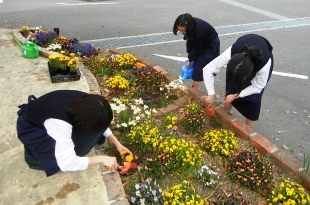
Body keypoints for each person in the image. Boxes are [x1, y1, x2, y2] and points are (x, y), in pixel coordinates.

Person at [16, 90, 132, 177]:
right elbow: (66, 163)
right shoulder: (60, 123)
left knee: (94, 129)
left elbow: (100, 122)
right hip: (34, 129)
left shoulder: (88, 102)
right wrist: (101, 159)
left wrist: (118, 144)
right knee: (80, 149)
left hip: (46, 117)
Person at [203, 34, 273, 127]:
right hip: (243, 51)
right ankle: (226, 115)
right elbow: (208, 70)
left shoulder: (264, 64)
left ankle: (248, 129)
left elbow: (257, 87)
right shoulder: (233, 52)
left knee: (253, 98)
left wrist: (237, 96)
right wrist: (211, 93)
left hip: (259, 59)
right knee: (231, 87)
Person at [173, 13, 220, 89]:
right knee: (196, 61)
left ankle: (194, 91)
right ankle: (195, 87)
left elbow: (197, 48)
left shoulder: (199, 32)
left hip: (210, 44)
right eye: (179, 30)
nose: (182, 32)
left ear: (189, 27)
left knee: (199, 67)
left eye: (183, 30)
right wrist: (190, 56)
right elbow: (190, 42)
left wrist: (191, 59)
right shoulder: (191, 24)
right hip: (200, 42)